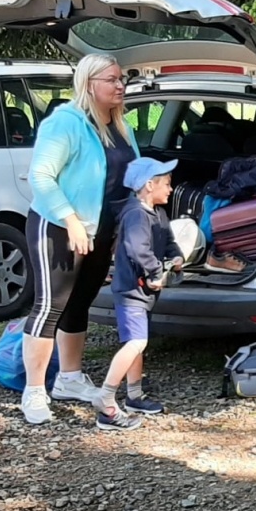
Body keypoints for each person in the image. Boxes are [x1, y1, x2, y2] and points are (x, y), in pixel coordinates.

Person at [19, 54, 140, 425]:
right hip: (58, 226)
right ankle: (34, 391)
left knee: (80, 302)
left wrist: (125, 228)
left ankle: (69, 379)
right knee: (50, 306)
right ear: (89, 84)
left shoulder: (120, 125)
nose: (120, 86)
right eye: (112, 80)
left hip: (101, 232)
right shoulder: (65, 123)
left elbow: (129, 178)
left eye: (122, 79)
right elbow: (40, 176)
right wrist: (71, 220)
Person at [93, 157, 184, 430]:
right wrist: (156, 272)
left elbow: (168, 240)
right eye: (166, 183)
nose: (170, 189)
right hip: (131, 290)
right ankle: (106, 399)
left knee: (138, 341)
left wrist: (176, 256)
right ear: (148, 185)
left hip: (142, 291)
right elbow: (136, 249)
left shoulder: (157, 212)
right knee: (135, 343)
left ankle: (134, 396)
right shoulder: (135, 214)